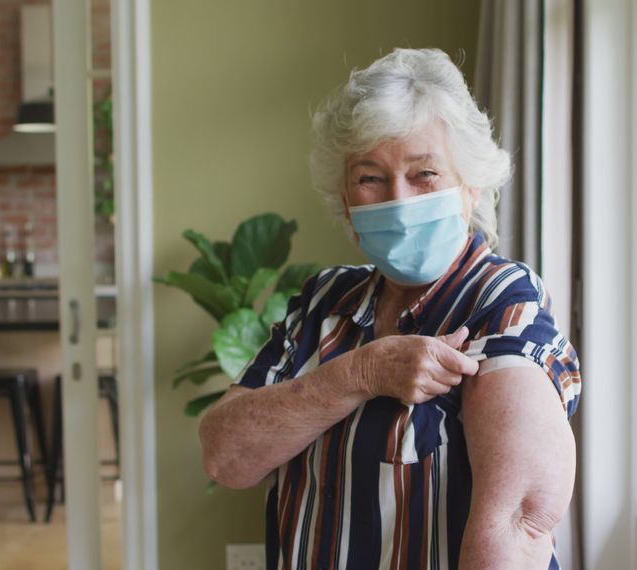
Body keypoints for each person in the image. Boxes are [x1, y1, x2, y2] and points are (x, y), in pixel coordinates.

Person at [199, 48, 581, 569]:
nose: (398, 202)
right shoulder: (323, 300)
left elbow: (517, 526)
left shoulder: (503, 304)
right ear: (347, 202)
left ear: (470, 189)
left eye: (424, 174)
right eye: (370, 178)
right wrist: (359, 372)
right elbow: (225, 456)